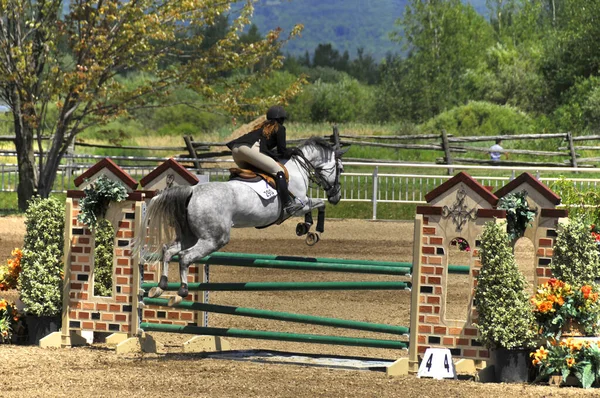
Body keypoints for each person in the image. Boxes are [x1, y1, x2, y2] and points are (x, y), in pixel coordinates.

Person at [227, 105, 302, 216]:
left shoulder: (261, 127)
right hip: (250, 149)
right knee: (279, 171)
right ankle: (287, 204)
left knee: (253, 172)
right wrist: (293, 151)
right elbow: (282, 151)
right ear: (281, 119)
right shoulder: (280, 128)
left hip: (236, 150)